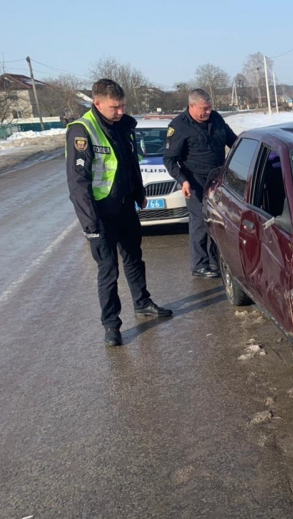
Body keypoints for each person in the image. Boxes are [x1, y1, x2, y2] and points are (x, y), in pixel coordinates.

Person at [66, 79, 172, 347]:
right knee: (108, 270)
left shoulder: (124, 126)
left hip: (126, 207)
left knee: (134, 258)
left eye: (123, 105)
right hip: (100, 214)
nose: (121, 111)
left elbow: (129, 162)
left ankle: (142, 302)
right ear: (97, 103)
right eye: (115, 107)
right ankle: (111, 325)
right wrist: (90, 224)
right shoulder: (82, 130)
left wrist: (139, 194)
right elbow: (78, 184)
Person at [163, 89, 238, 278]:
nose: (207, 112)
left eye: (210, 108)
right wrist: (183, 181)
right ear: (192, 106)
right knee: (200, 222)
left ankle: (215, 260)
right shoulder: (179, 126)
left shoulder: (216, 119)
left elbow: (233, 141)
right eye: (203, 109)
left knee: (217, 221)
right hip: (195, 181)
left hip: (218, 179)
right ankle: (199, 264)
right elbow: (170, 159)